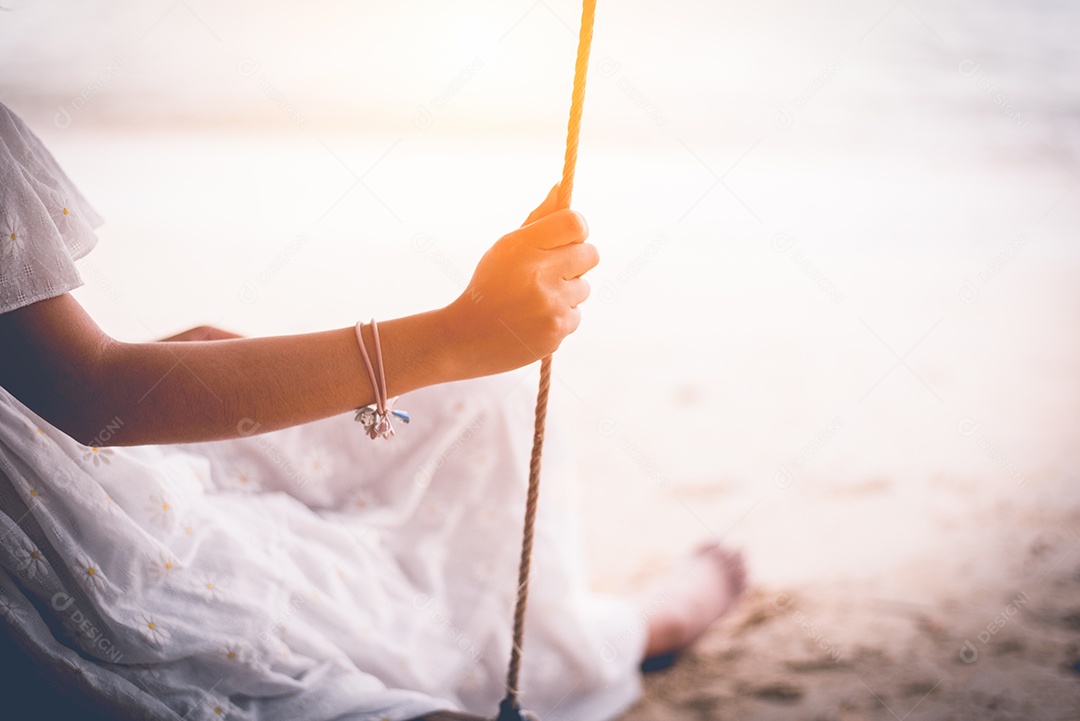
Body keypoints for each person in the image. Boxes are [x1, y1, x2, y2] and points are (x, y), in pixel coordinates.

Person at [0, 100, 745, 721]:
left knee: (473, 412)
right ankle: (636, 628)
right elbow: (85, 389)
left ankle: (586, 632)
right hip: (57, 574)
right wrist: (457, 333)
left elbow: (48, 369)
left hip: (72, 477)